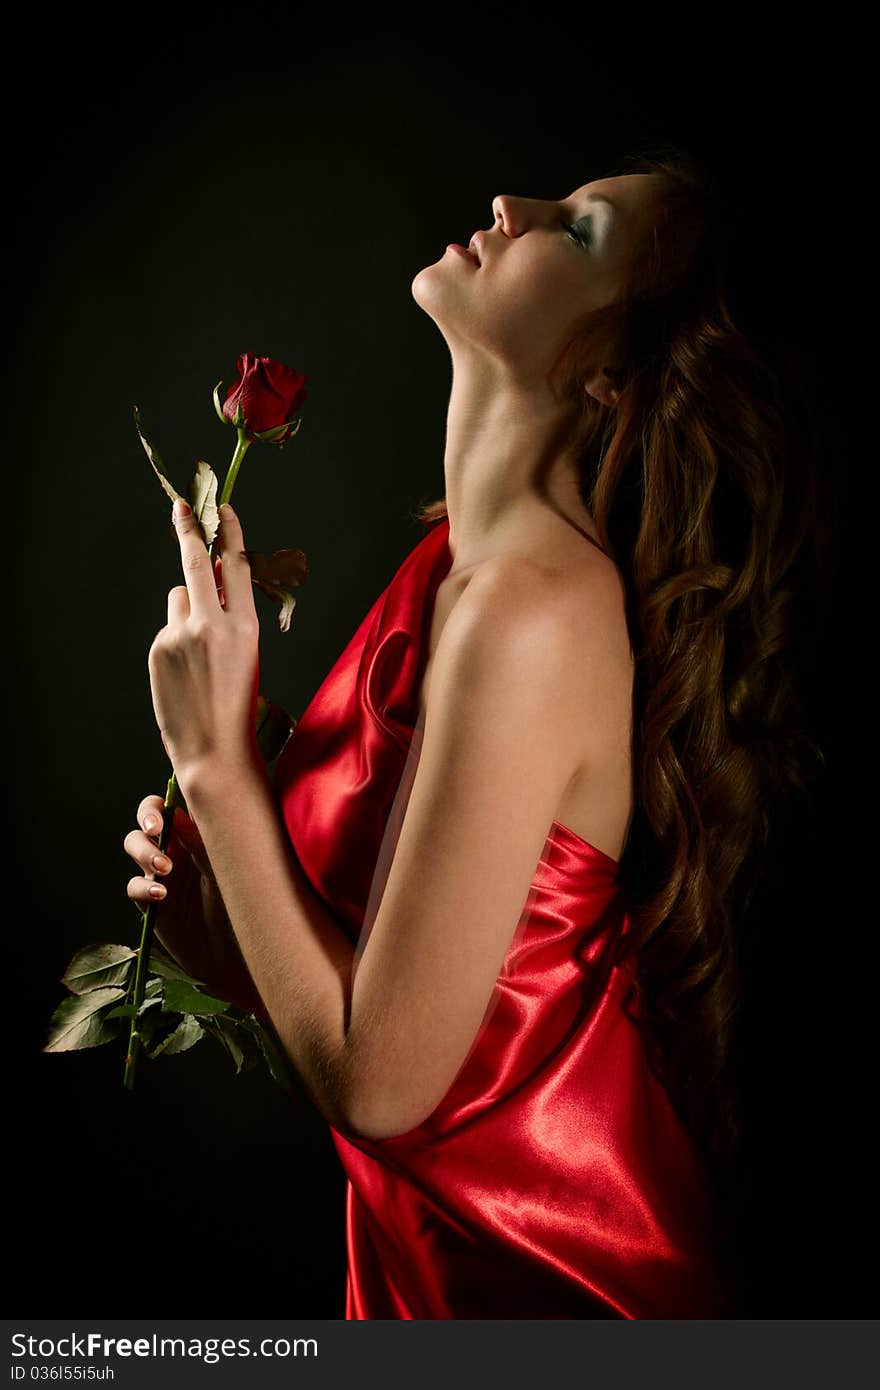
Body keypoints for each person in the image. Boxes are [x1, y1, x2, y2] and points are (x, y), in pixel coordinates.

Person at [122, 145, 837, 1318]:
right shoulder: (456, 565)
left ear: (613, 373)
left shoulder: (533, 610)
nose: (514, 205)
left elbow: (381, 1081)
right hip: (426, 1286)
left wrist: (217, 768)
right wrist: (229, 937)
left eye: (580, 231)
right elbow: (427, 1000)